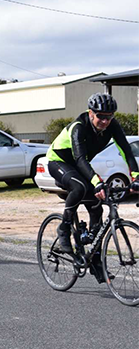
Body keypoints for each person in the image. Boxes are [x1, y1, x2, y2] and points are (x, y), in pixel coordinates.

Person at [47, 92, 139, 283]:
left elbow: (126, 150)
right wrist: (97, 182)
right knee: (79, 187)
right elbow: (80, 159)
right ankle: (64, 228)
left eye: (109, 117)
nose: (105, 121)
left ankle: (95, 261)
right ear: (91, 113)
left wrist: (136, 176)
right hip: (59, 162)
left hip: (81, 166)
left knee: (96, 206)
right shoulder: (78, 128)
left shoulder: (112, 126)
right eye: (101, 116)